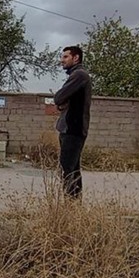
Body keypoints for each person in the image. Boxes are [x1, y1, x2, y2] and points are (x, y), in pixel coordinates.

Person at [53, 46, 91, 199]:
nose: (61, 60)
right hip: (70, 129)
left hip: (73, 129)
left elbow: (58, 98)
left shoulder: (79, 75)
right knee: (72, 169)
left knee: (67, 169)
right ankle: (74, 206)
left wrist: (61, 102)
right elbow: (62, 101)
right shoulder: (76, 76)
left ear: (76, 58)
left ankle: (71, 204)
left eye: (65, 57)